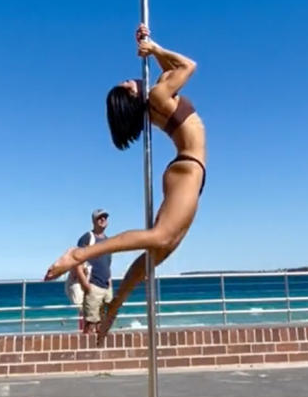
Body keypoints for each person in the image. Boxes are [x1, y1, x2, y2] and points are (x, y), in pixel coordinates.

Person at [44, 24, 206, 346]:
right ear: (131, 94)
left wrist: (147, 44)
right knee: (160, 237)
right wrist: (156, 49)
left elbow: (168, 72)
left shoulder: (157, 95)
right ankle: (80, 253)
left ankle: (114, 308)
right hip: (188, 170)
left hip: (187, 170)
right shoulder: (158, 95)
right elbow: (188, 66)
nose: (130, 78)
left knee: (153, 257)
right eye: (126, 84)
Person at [65, 209, 113, 334]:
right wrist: (85, 284)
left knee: (102, 322)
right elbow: (77, 262)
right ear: (93, 221)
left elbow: (107, 264)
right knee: (90, 323)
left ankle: (100, 349)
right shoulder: (87, 238)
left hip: (105, 286)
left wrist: (110, 284)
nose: (103, 220)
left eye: (105, 217)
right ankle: (87, 350)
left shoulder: (108, 241)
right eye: (100, 218)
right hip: (92, 285)